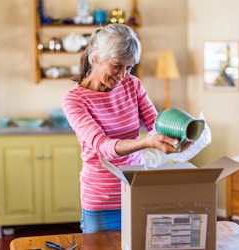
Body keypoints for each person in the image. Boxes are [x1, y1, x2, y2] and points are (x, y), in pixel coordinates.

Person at [62, 23, 191, 233]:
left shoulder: (133, 85)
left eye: (129, 67)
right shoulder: (74, 100)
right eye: (117, 66)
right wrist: (146, 142)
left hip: (135, 192)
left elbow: (156, 124)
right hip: (101, 201)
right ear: (96, 57)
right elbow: (103, 147)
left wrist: (180, 134)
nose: (123, 75)